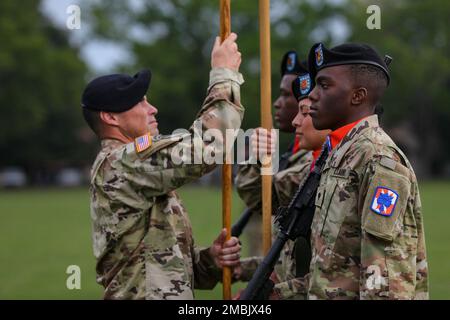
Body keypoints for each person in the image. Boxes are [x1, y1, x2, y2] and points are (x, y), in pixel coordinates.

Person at [81, 33, 244, 299]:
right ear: (111, 117)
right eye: (140, 102)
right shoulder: (123, 163)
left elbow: (165, 272)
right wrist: (224, 74)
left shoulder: (136, 165)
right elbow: (208, 148)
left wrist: (209, 261)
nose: (152, 108)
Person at [283, 42, 428, 299]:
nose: (312, 95)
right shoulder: (342, 154)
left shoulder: (377, 158)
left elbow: (384, 280)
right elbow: (337, 268)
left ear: (357, 96)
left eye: (324, 85)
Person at [235, 70, 331, 300]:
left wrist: (274, 294)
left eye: (305, 111)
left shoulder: (334, 167)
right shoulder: (312, 162)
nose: (295, 120)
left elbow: (344, 267)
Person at [235, 51, 313, 257]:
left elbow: (261, 196)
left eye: (287, 95)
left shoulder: (317, 157)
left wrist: (257, 157)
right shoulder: (294, 150)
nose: (277, 103)